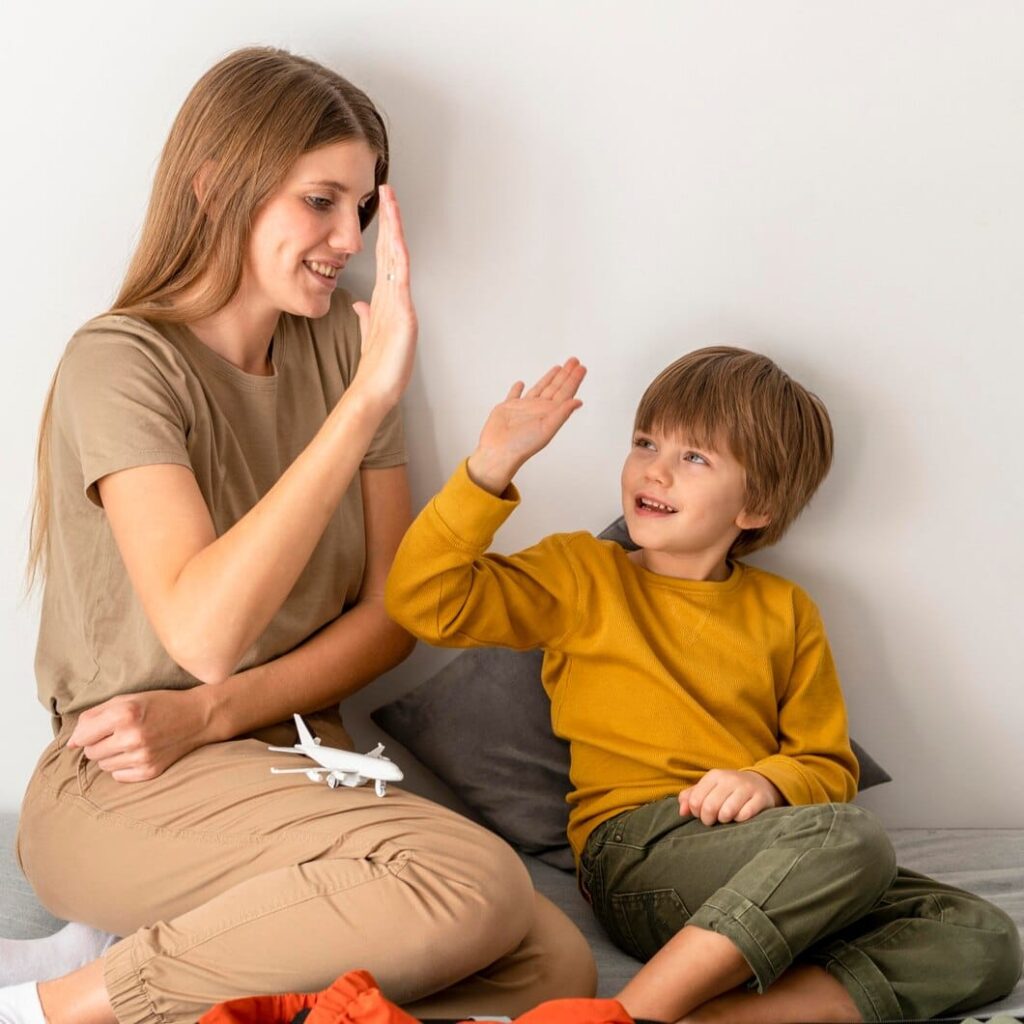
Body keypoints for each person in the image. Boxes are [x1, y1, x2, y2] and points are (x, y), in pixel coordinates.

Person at [0, 47, 595, 1024]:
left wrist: (215, 714)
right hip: (123, 781)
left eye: (362, 207)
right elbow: (201, 633)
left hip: (287, 763)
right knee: (470, 879)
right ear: (215, 186)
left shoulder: (341, 347)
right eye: (321, 200)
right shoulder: (120, 363)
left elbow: (393, 616)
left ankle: (184, 971)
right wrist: (363, 404)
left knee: (551, 963)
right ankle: (55, 1006)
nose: (346, 237)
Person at [384, 349, 1023, 1023]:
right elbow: (424, 600)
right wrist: (491, 466)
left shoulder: (786, 610)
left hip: (767, 851)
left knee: (981, 937)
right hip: (640, 855)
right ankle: (627, 1015)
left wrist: (769, 782)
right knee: (851, 840)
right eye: (645, 442)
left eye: (695, 457)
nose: (654, 468)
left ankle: (693, 1019)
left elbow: (827, 764)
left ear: (758, 505)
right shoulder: (582, 573)